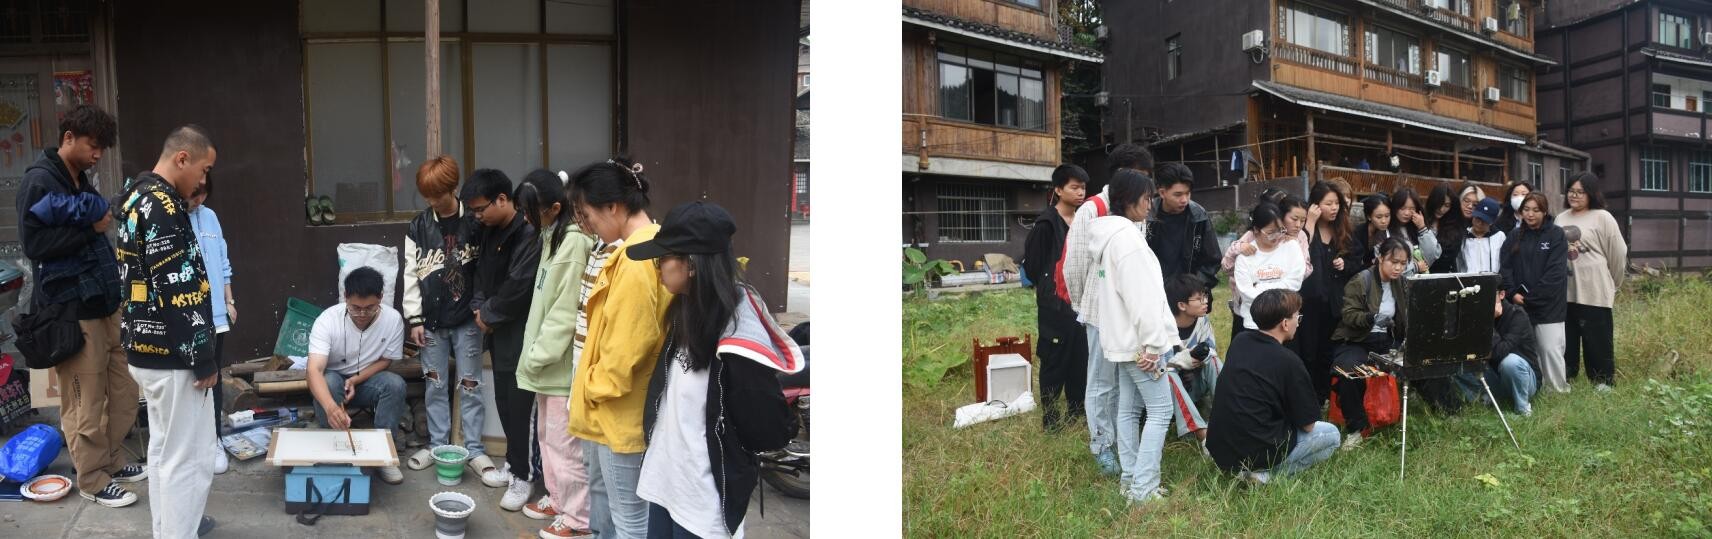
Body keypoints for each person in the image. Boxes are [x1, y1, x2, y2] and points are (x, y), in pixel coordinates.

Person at [631, 201, 805, 539]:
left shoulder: (737, 338)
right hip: (665, 483)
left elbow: (765, 428)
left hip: (703, 504)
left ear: (692, 264)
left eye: (662, 259)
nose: (658, 268)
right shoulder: (685, 311)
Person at [17, 104, 144, 508]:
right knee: (85, 401)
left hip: (106, 302)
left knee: (123, 389)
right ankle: (91, 478)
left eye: (102, 148)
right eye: (93, 146)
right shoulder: (39, 181)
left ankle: (111, 460)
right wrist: (89, 229)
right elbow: (35, 246)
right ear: (68, 137)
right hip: (72, 309)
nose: (97, 155)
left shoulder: (80, 180)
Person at [115, 125, 219, 536]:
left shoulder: (136, 198)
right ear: (182, 158)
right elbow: (177, 286)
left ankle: (167, 532)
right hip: (173, 356)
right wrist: (203, 356)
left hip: (146, 349)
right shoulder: (162, 205)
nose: (204, 180)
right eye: (204, 169)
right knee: (188, 461)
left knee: (163, 454)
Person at [567, 158, 671, 538]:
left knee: (629, 521)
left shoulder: (634, 258)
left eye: (588, 214)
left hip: (619, 411)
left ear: (613, 206)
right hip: (629, 405)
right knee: (625, 514)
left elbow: (628, 344)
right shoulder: (651, 242)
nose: (588, 224)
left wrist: (593, 387)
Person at [400, 156, 498, 485]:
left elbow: (486, 268)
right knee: (435, 384)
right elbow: (410, 274)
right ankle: (437, 445)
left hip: (468, 317)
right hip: (430, 319)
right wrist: (414, 318)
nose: (431, 201)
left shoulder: (475, 220)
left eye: (437, 194)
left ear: (453, 188)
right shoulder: (417, 226)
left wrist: (483, 308)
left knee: (471, 384)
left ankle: (474, 449)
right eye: (426, 195)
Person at [1062, 143, 1154, 475]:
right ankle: (1101, 444)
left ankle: (1123, 440)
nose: (1144, 185)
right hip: (1100, 312)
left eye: (1146, 177)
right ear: (1119, 175)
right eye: (1138, 176)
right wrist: (1085, 306)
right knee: (1102, 381)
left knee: (1125, 380)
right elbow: (1073, 266)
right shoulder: (1093, 208)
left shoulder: (1137, 210)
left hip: (1128, 312)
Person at [513, 169, 597, 539]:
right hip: (547, 365)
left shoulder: (573, 244)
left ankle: (578, 519)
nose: (526, 218)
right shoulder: (552, 236)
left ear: (555, 208)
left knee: (566, 447)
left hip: (560, 366)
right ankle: (558, 499)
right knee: (547, 439)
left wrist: (537, 355)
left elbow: (565, 313)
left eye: (531, 211)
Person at [1088, 169, 1179, 504]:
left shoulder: (1110, 238)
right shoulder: (1127, 240)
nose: (1150, 203)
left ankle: (1131, 481)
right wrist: (1154, 345)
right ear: (1129, 200)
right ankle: (1143, 488)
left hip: (1123, 342)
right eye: (1146, 197)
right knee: (1160, 411)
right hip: (1142, 345)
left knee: (1128, 410)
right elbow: (1142, 298)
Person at [464, 168, 544, 510]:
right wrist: (479, 308)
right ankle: (512, 465)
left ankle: (525, 477)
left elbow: (519, 285)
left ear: (502, 199)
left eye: (481, 209)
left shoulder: (528, 232)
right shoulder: (489, 231)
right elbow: (480, 276)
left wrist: (489, 314)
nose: (477, 216)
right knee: (504, 400)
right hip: (496, 329)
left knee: (521, 405)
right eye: (473, 211)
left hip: (520, 330)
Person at [1205, 289, 1339, 484]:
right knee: (1332, 435)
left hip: (1220, 448)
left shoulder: (1240, 341)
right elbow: (1308, 425)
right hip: (1259, 450)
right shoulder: (1289, 361)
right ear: (1285, 324)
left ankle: (1244, 470)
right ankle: (1265, 475)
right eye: (1297, 317)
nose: (1298, 322)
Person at [306, 267, 408, 486]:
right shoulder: (327, 320)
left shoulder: (393, 320)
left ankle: (384, 456)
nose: (362, 314)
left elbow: (386, 360)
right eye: (355, 308)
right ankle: (334, 449)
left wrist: (357, 379)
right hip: (334, 380)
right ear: (345, 297)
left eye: (369, 308)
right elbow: (313, 370)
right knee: (329, 381)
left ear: (381, 298)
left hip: (367, 381)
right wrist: (331, 408)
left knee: (395, 384)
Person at [1022, 164, 1088, 431]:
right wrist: (1050, 286)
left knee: (1080, 357)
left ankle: (1076, 412)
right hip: (1054, 303)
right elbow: (1033, 266)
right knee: (1054, 358)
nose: (1081, 192)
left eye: (1083, 187)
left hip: (1080, 301)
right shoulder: (1046, 224)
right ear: (1058, 190)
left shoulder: (1084, 221)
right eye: (1074, 187)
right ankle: (1050, 418)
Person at [1330, 237, 1412, 449]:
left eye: (1403, 264)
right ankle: (1356, 428)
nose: (1398, 268)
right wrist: (1371, 318)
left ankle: (1449, 409)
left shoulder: (1402, 283)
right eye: (1393, 262)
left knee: (1421, 358)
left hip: (1386, 340)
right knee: (1347, 371)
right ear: (1380, 258)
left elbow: (1407, 316)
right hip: (1357, 340)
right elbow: (1348, 315)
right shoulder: (1361, 280)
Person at [1556, 172, 1628, 391]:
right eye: (1571, 191)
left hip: (1594, 289)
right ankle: (1566, 377)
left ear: (1591, 194)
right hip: (1566, 290)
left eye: (1580, 192)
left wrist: (1612, 283)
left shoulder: (1602, 217)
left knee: (1597, 339)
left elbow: (1618, 253)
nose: (1574, 195)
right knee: (1566, 338)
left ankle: (1602, 382)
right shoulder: (1561, 218)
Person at [185, 175, 234, 475]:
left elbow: (223, 261)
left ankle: (215, 439)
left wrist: (230, 301)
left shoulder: (210, 216)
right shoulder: (172, 218)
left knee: (213, 381)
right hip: (187, 315)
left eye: (203, 194)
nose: (199, 200)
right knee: (188, 383)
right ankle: (193, 446)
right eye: (195, 194)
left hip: (216, 314)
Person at [1297, 180, 1361, 405]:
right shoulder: (1306, 228)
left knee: (1327, 351)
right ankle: (1305, 396)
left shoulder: (1343, 230)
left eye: (1337, 203)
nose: (1334, 208)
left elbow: (1357, 261)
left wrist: (1346, 264)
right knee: (1307, 351)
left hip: (1334, 302)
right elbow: (1298, 253)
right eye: (1328, 203)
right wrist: (1310, 222)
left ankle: (1322, 395)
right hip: (1309, 302)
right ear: (1315, 205)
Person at [1502, 192, 1570, 394]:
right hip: (1519, 304)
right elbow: (1505, 267)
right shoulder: (1514, 236)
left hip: (1549, 306)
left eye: (1536, 210)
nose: (1530, 214)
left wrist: (1531, 298)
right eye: (1526, 210)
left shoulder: (1556, 235)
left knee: (1550, 349)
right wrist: (1512, 293)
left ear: (1545, 211)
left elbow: (1555, 273)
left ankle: (1557, 391)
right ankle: (1533, 390)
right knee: (1526, 349)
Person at [1458, 294, 1540, 416]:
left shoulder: (1517, 314)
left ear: (1501, 294)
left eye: (1491, 293)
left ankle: (1523, 409)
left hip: (1525, 380)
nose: (1486, 298)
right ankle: (1487, 400)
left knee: (1510, 362)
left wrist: (1488, 321)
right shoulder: (1477, 316)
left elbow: (1500, 352)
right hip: (1495, 377)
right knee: (1457, 362)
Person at [1232, 202, 1307, 335]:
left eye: (1280, 230)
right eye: (1271, 233)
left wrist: (1259, 287)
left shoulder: (1291, 247)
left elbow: (1294, 284)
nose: (1277, 236)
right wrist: (1280, 289)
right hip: (1255, 324)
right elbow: (1246, 293)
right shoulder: (1245, 257)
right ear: (1256, 230)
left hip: (1285, 324)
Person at [1146, 162, 1222, 290]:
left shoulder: (1199, 215)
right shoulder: (1147, 216)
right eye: (1178, 194)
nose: (1184, 200)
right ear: (1162, 193)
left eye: (1188, 193)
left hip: (1189, 293)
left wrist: (1194, 287)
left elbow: (1212, 260)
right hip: (1154, 290)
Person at [1162, 273, 1216, 444]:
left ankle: (1232, 413)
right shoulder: (1162, 326)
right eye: (1199, 299)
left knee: (1214, 361)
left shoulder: (1202, 320)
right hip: (1169, 394)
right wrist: (1185, 359)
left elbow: (1211, 350)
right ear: (1182, 305)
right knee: (1168, 375)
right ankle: (1202, 434)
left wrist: (1194, 358)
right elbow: (1162, 367)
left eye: (1205, 296)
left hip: (1195, 383)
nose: (1205, 302)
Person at [1388, 187, 1439, 274]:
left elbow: (1432, 255)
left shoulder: (1417, 228)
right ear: (1395, 208)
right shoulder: (1387, 230)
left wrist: (1422, 227)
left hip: (1420, 279)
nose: (1407, 213)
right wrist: (1415, 267)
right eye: (1402, 208)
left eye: (1412, 209)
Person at [1423, 184, 1464, 274]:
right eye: (1439, 203)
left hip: (1441, 275)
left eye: (1447, 205)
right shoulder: (1421, 219)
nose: (1441, 209)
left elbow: (1448, 257)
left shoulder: (1455, 228)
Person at [1459, 197, 1506, 273]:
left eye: (1484, 220)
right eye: (1477, 218)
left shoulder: (1499, 236)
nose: (1479, 223)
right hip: (1468, 279)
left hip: (1493, 278)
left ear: (1492, 222)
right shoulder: (1463, 236)